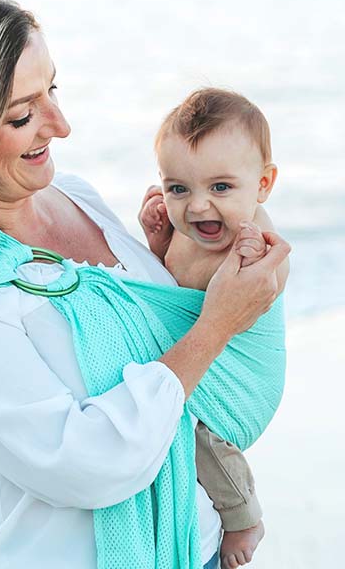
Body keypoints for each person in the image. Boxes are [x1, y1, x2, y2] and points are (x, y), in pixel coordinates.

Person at [0, 0, 290, 569]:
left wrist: (164, 255)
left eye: (52, 89)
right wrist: (218, 326)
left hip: (192, 548)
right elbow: (90, 466)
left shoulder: (75, 198)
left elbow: (151, 322)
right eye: (23, 115)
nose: (62, 125)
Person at [139, 88, 290, 569]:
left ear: (262, 184)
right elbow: (166, 284)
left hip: (240, 387)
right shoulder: (191, 233)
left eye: (221, 188)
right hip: (206, 364)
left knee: (193, 436)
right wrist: (155, 240)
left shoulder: (257, 246)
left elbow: (260, 288)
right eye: (178, 188)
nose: (199, 206)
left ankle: (242, 515)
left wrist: (246, 263)